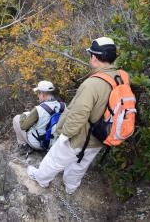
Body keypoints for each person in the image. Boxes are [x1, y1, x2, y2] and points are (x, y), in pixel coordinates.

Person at [27, 37, 118, 194]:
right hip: (102, 135)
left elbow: (79, 113)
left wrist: (65, 134)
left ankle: (41, 179)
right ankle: (71, 187)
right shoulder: (121, 77)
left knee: (54, 160)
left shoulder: (92, 84)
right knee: (81, 164)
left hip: (80, 136)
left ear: (94, 57)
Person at [13, 81, 65, 155]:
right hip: (56, 143)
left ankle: (23, 146)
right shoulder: (63, 106)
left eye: (38, 93)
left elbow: (23, 127)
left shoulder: (38, 109)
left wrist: (23, 115)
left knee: (16, 118)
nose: (38, 95)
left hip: (39, 144)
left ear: (43, 94)